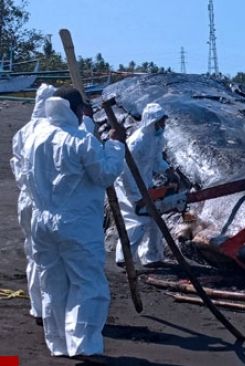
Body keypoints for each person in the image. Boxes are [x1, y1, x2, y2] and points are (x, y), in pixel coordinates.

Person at [25, 86, 126, 358]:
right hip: (76, 223)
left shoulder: (36, 136)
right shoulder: (80, 140)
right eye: (83, 108)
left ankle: (59, 344)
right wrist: (116, 147)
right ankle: (83, 345)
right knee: (87, 283)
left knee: (53, 283)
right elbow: (104, 175)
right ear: (74, 109)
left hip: (41, 222)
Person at [9, 83, 56, 324]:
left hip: (26, 199)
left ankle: (37, 306)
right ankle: (51, 307)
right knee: (50, 257)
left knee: (33, 253)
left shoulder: (23, 132)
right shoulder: (52, 132)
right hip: (46, 202)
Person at [115, 102, 176, 267]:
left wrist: (167, 170)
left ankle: (152, 257)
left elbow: (156, 160)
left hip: (144, 184)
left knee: (155, 220)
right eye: (161, 121)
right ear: (152, 121)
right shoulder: (137, 141)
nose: (163, 125)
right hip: (128, 187)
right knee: (137, 222)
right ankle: (124, 258)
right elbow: (125, 171)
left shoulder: (157, 139)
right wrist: (136, 196)